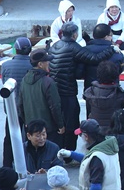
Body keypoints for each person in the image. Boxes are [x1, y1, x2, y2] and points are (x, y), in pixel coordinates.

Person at [48, 23, 86, 158]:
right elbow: (93, 58)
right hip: (68, 91)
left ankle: (57, 152)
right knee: (71, 124)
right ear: (75, 34)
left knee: (57, 122)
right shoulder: (75, 47)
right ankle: (69, 154)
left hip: (54, 90)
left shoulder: (54, 46)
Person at [17, 49, 65, 147]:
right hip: (48, 129)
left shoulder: (24, 80)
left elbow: (20, 104)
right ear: (40, 64)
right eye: (47, 61)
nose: (49, 63)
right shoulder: (48, 82)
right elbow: (55, 106)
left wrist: (26, 121)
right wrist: (60, 125)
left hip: (31, 127)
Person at [1, 37, 33, 168]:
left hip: (12, 107)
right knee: (29, 137)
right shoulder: (32, 65)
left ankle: (7, 164)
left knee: (9, 137)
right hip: (29, 108)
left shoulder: (6, 65)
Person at [82, 24, 124, 119]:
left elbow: (80, 71)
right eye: (111, 35)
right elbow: (120, 69)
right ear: (106, 37)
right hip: (112, 92)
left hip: (91, 92)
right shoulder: (117, 52)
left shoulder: (85, 51)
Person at [75, 119, 122, 190]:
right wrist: (70, 154)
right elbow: (89, 159)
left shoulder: (97, 157)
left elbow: (96, 186)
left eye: (81, 135)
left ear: (86, 136)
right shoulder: (108, 146)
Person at [84, 60, 124, 128]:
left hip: (95, 129)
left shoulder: (90, 92)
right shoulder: (119, 93)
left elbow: (89, 110)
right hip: (114, 129)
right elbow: (123, 106)